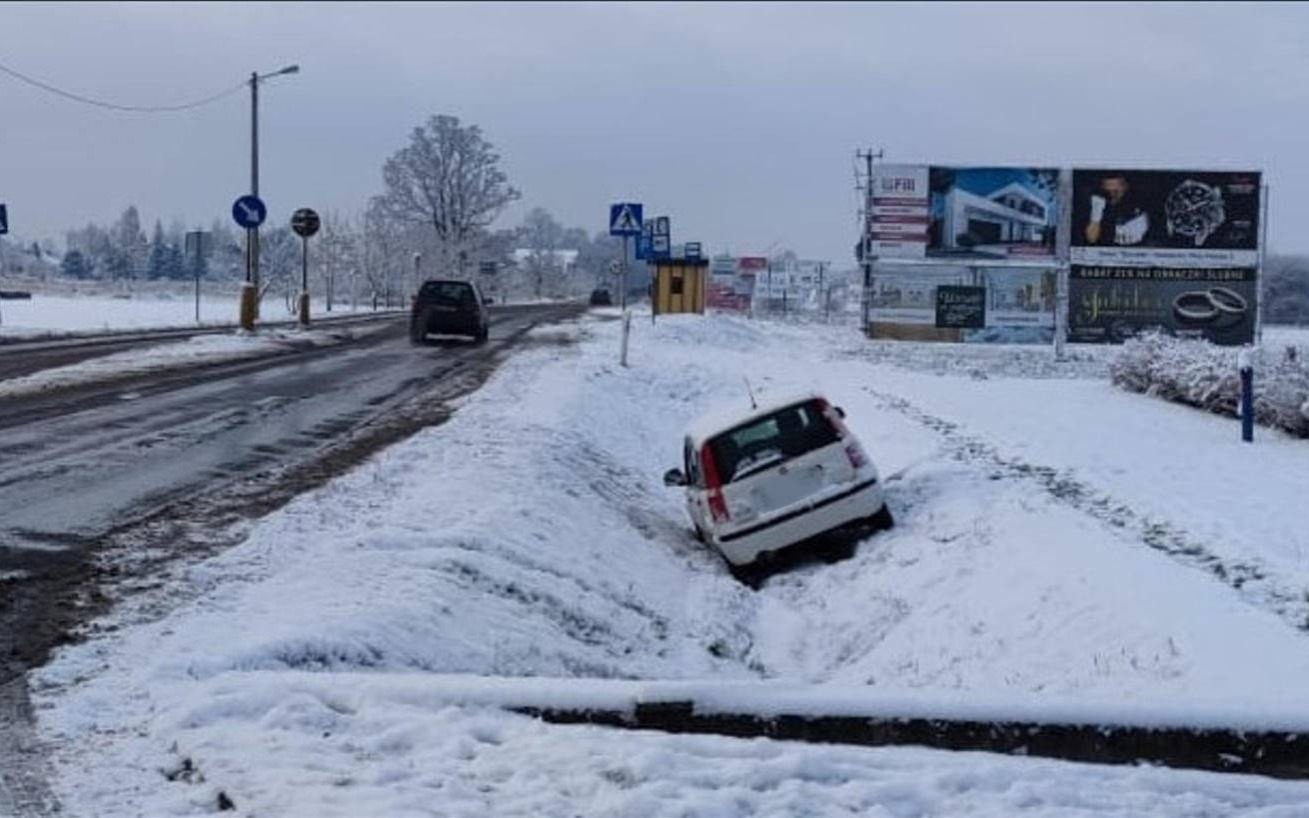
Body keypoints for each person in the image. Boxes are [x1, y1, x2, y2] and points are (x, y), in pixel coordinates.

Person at [1084, 174, 1150, 246]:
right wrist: (1096, 213)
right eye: (1108, 191)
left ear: (1125, 187)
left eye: (1116, 191)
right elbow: (1092, 239)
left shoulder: (1138, 202)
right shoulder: (1097, 203)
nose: (1112, 194)